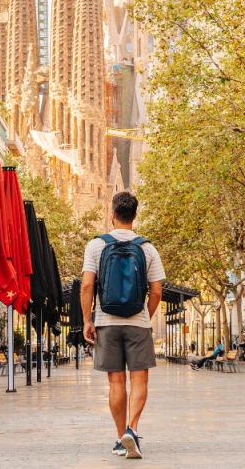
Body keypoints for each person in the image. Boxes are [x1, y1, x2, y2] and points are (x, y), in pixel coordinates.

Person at [82, 191, 165, 460]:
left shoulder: (96, 245)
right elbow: (156, 292)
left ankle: (120, 438)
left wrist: (87, 320)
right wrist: (146, 317)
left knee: (115, 381)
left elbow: (86, 286)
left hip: (105, 322)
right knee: (139, 378)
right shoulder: (147, 248)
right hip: (137, 323)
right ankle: (133, 429)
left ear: (112, 214)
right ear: (135, 216)